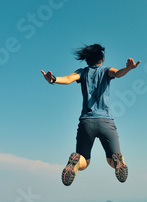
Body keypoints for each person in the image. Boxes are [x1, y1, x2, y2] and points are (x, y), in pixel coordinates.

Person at [40, 44, 140, 186]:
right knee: (112, 159)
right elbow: (117, 73)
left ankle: (75, 162)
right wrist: (128, 69)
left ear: (87, 60)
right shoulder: (106, 70)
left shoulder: (82, 72)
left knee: (84, 161)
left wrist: (53, 79)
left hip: (87, 123)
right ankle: (119, 160)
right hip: (107, 122)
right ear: (103, 59)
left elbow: (68, 79)